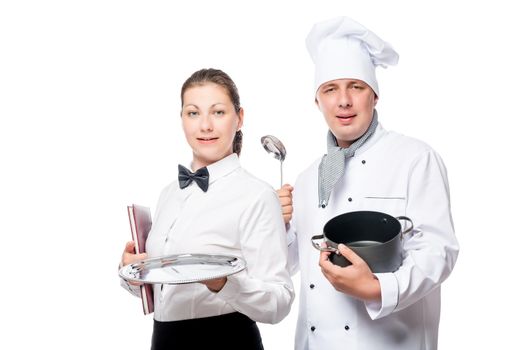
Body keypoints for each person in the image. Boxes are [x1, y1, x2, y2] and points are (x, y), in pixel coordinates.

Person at [278, 17, 459, 349]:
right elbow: (290, 264)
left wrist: (377, 288)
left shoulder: (415, 159)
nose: (343, 101)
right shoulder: (306, 179)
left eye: (356, 87)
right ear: (317, 101)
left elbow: (438, 252)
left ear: (374, 96)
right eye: (330, 89)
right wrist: (277, 224)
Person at [120, 68, 294, 350]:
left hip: (225, 340)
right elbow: (165, 291)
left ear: (239, 118)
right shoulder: (168, 194)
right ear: (181, 119)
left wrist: (223, 283)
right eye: (193, 113)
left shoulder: (257, 195)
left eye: (218, 112)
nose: (205, 126)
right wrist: (133, 273)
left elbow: (280, 301)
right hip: (163, 340)